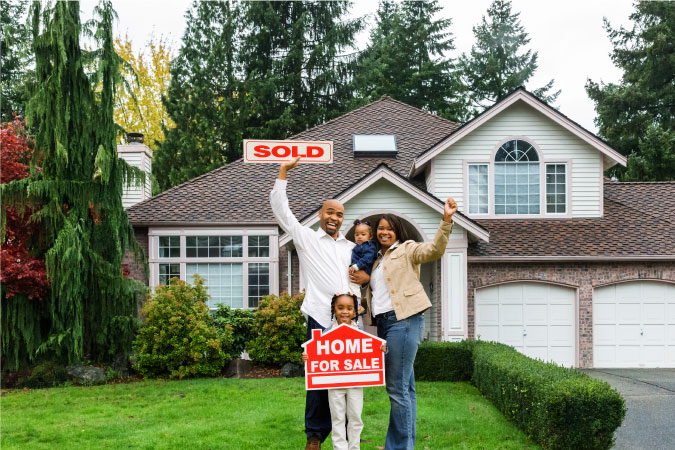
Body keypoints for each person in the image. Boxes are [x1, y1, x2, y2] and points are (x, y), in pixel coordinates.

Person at [270, 157, 370, 450]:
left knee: (352, 381)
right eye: (330, 212)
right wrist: (283, 173)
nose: (334, 218)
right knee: (318, 380)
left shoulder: (353, 248)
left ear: (342, 219)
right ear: (320, 214)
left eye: (339, 214)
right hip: (319, 317)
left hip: (351, 320)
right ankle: (315, 435)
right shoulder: (307, 239)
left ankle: (352, 438)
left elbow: (357, 281)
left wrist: (360, 303)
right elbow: (282, 211)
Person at [364, 198, 457, 450]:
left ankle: (399, 447)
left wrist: (446, 220)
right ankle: (404, 444)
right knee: (406, 388)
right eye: (380, 228)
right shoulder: (375, 259)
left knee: (396, 389)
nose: (384, 231)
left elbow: (434, 250)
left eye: (389, 228)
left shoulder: (407, 249)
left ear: (397, 231)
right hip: (384, 324)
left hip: (403, 321)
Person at [303, 293, 387, 450]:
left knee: (355, 417)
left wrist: (380, 349)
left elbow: (372, 350)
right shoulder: (326, 333)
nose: (344, 312)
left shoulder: (361, 333)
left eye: (349, 308)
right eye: (340, 308)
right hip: (334, 385)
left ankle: (354, 447)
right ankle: (339, 447)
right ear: (334, 309)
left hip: (355, 384)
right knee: (337, 418)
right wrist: (308, 356)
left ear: (355, 312)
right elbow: (315, 354)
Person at [348, 219, 377, 325]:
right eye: (357, 234)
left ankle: (359, 306)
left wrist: (355, 266)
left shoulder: (369, 246)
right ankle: (355, 305)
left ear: (370, 237)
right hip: (358, 268)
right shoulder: (358, 246)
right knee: (352, 289)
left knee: (354, 288)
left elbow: (368, 258)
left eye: (363, 234)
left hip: (363, 269)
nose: (359, 237)